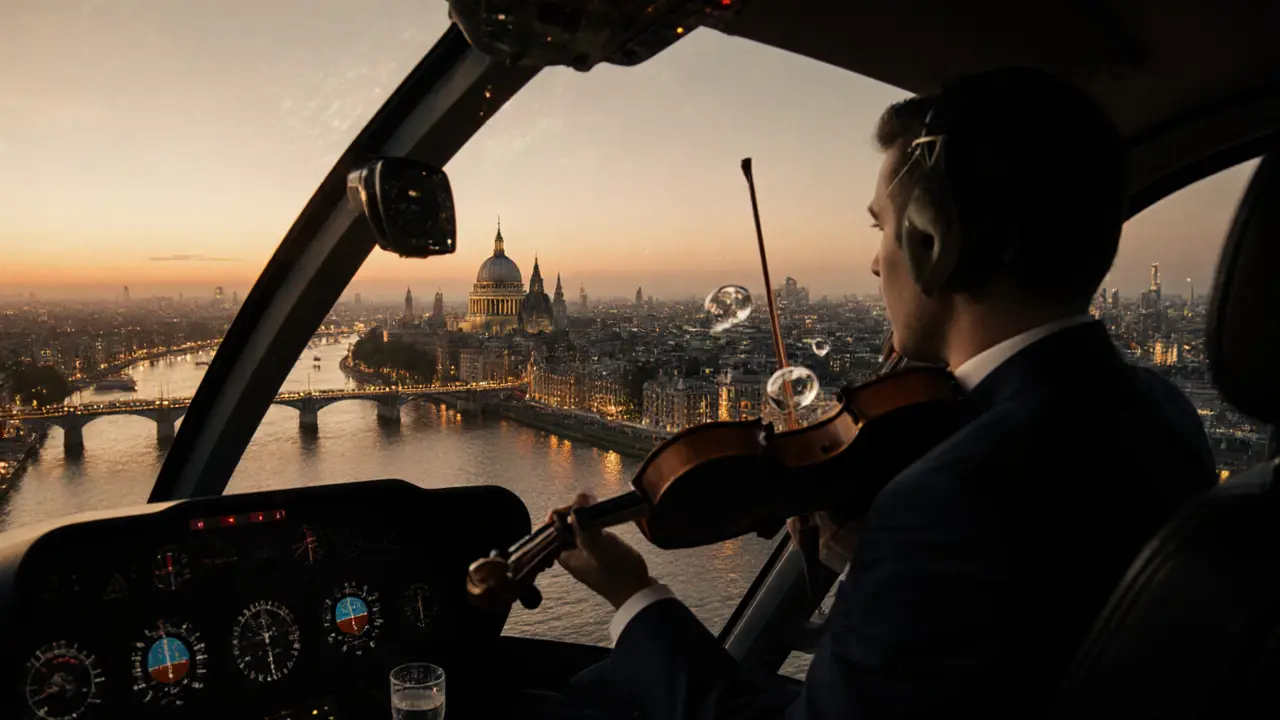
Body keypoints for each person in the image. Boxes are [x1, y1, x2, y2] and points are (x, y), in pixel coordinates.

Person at [553, 66, 1218, 719]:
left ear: (934, 243)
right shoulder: (1164, 416)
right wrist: (867, 557)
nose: (876, 261)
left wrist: (633, 593)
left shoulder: (949, 500)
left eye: (881, 226)